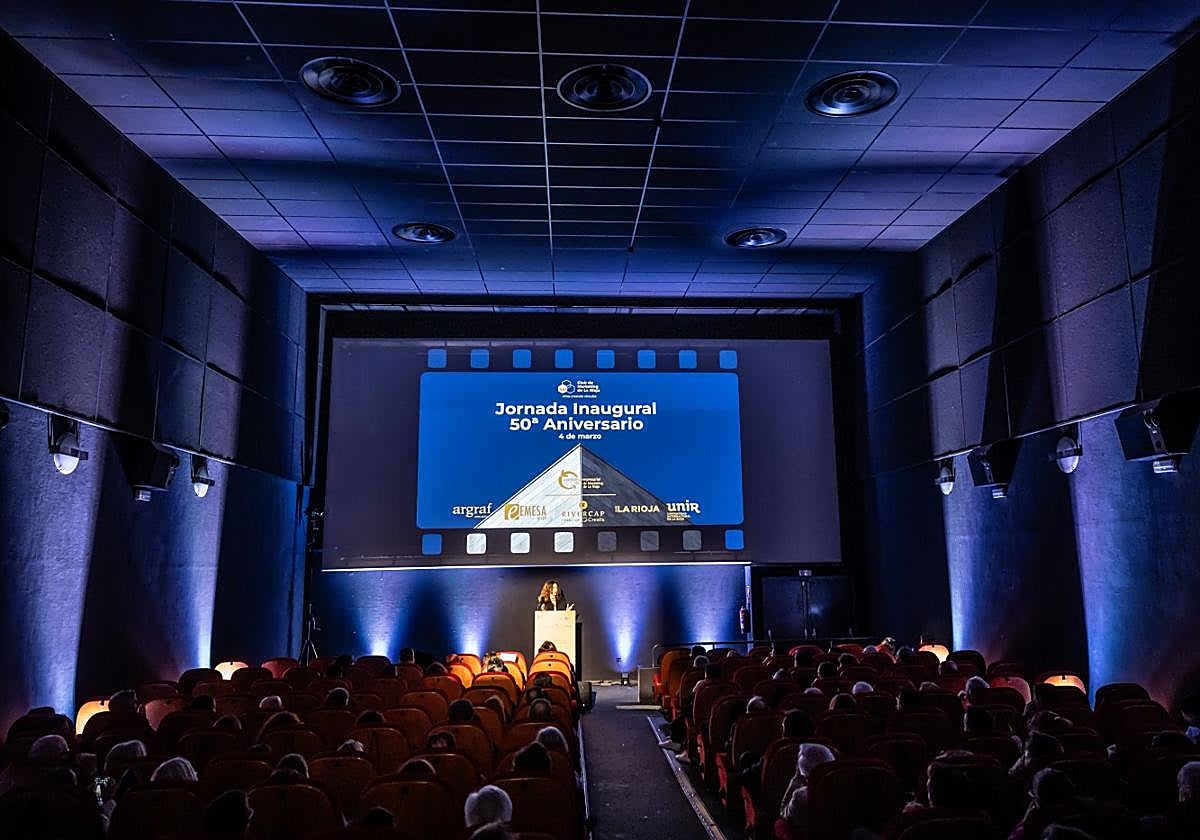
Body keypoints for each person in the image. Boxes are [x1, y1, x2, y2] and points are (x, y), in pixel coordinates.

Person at [777, 743, 836, 837]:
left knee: (780, 824)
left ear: (805, 774)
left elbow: (783, 812)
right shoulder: (843, 789)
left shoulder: (801, 796)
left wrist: (797, 777)